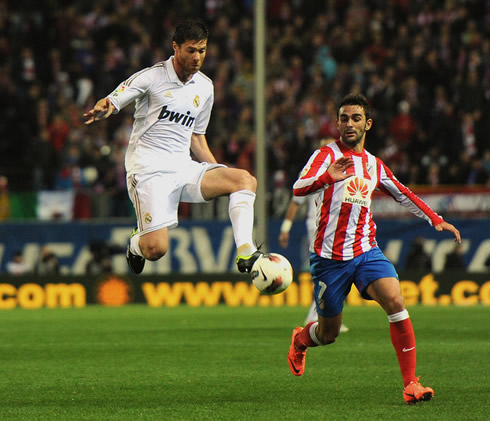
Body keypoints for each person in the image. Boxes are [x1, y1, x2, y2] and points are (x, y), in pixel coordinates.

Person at [286, 93, 461, 405]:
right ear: (337, 123)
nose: (349, 123)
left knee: (395, 298)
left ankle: (411, 384)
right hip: (330, 260)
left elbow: (402, 192)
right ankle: (300, 340)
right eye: (343, 118)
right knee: (328, 334)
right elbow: (298, 187)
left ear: (368, 124)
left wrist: (435, 218)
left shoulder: (374, 165)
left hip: (366, 250)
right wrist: (328, 177)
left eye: (356, 118)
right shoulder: (326, 155)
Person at [83, 19, 261, 275]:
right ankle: (137, 243)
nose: (197, 57)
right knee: (155, 249)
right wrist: (106, 106)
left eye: (202, 50)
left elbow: (197, 137)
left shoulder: (205, 87)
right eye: (191, 50)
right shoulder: (152, 77)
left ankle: (246, 251)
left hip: (183, 167)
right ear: (175, 47)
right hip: (148, 170)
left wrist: (213, 170)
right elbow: (118, 95)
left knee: (244, 180)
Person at [280, 138, 348, 332]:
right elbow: (296, 201)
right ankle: (319, 315)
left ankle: (320, 315)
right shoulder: (312, 171)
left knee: (335, 270)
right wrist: (285, 227)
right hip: (319, 225)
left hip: (338, 226)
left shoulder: (344, 167)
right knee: (330, 270)